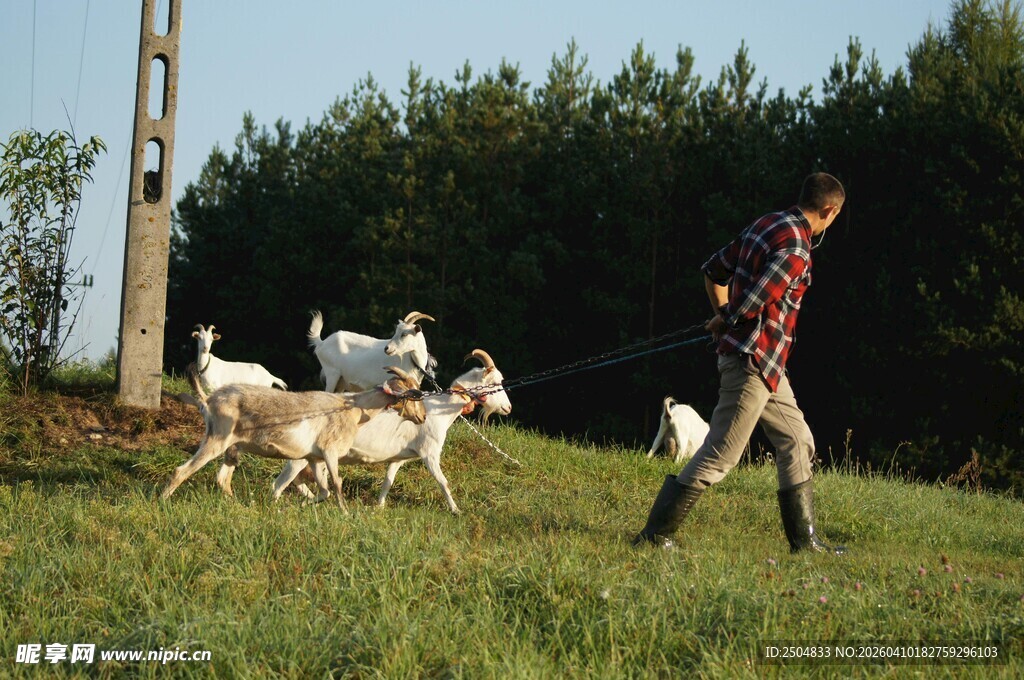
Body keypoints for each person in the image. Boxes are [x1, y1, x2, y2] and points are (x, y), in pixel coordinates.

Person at [632, 172, 847, 554]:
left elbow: (714, 270)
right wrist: (727, 318)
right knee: (721, 454)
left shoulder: (767, 223)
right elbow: (756, 298)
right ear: (829, 211)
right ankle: (654, 536)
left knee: (797, 440)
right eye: (835, 217)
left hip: (768, 365)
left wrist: (722, 317)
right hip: (752, 362)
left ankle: (805, 543)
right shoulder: (798, 248)